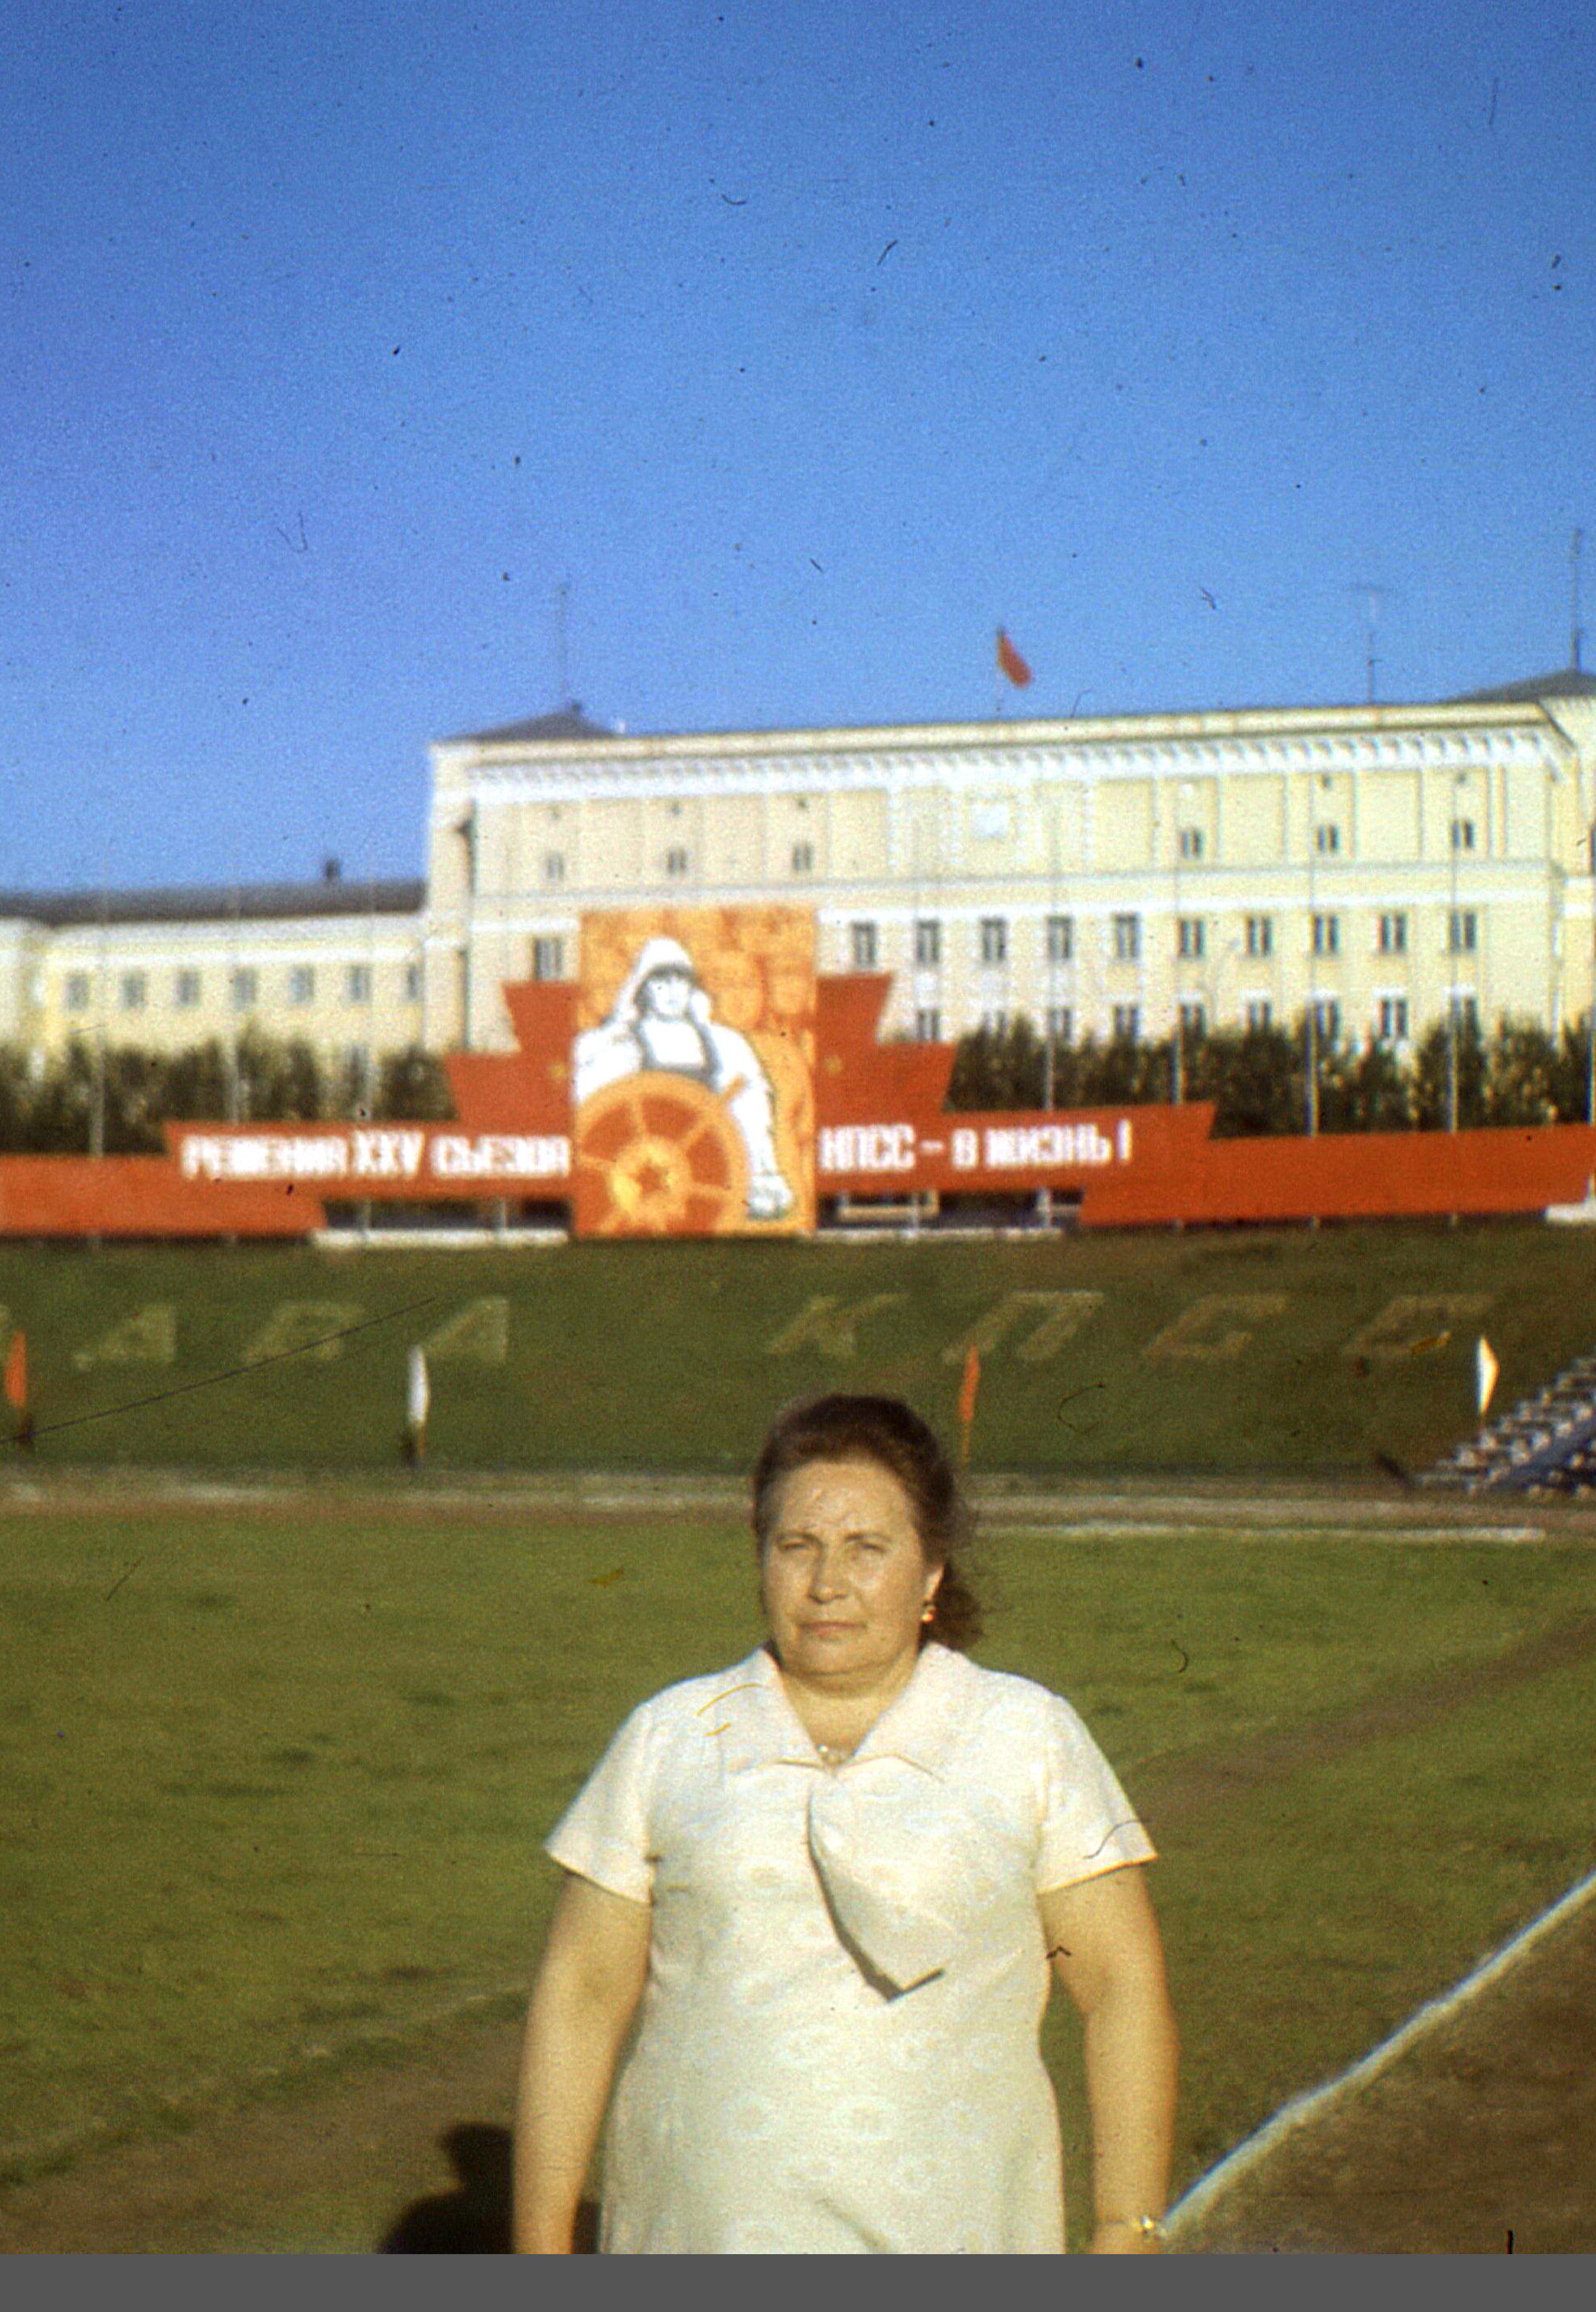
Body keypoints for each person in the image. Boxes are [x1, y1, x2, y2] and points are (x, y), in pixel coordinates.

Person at [509, 1393, 1176, 2253]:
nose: (828, 1583)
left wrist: (1128, 2224)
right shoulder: (671, 1735)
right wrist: (538, 2243)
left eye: (868, 1548)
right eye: (798, 1546)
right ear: (760, 1556)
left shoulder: (1025, 1733)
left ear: (931, 1569)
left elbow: (1121, 1984)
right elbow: (581, 1994)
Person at [569, 935, 798, 1220]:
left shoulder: (724, 1043)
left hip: (709, 1163)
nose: (671, 991)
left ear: (691, 987)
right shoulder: (624, 1044)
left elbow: (750, 1109)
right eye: (661, 982)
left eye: (680, 981)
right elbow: (594, 1108)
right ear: (644, 989)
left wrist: (757, 1172)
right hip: (642, 1167)